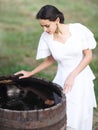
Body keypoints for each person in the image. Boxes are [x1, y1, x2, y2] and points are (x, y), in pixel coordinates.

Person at [15, 5, 97, 130]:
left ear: (57, 20)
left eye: (47, 25)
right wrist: (30, 72)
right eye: (42, 26)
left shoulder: (78, 30)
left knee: (79, 114)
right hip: (62, 78)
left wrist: (73, 76)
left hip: (80, 77)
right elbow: (50, 59)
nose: (44, 29)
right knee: (63, 115)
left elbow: (88, 56)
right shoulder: (46, 37)